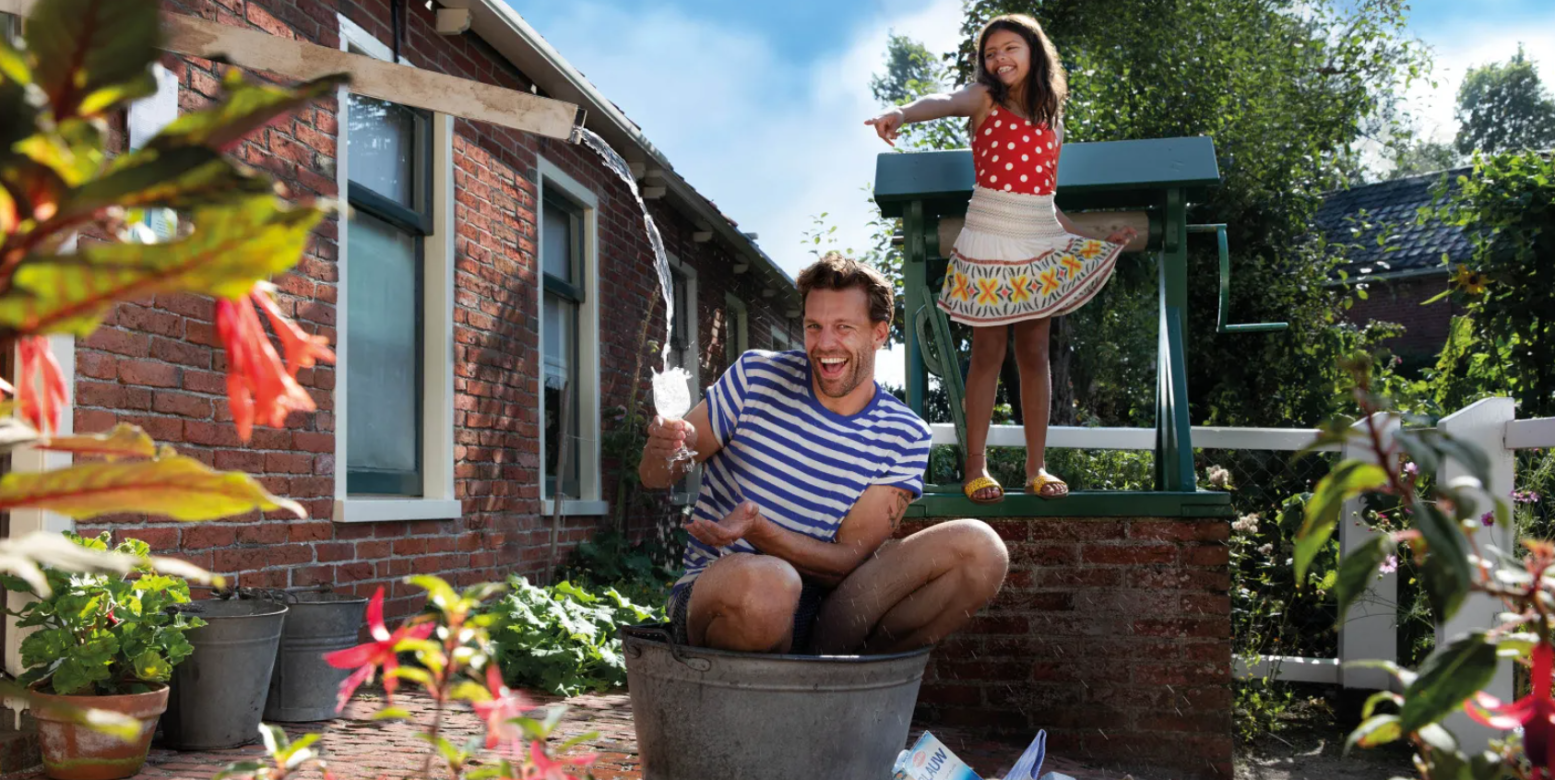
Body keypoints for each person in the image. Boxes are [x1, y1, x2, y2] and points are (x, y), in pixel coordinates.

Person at [639, 252, 1008, 655]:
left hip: (823, 611)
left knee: (981, 548)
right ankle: (779, 702)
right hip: (721, 593)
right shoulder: (756, 377)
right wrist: (662, 450)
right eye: (814, 327)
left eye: (843, 327)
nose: (825, 344)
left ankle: (843, 680)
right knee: (773, 584)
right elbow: (657, 476)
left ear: (879, 333)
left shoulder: (904, 435)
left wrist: (760, 531)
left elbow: (844, 562)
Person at [865, 14, 1137, 504]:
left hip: (1036, 237)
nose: (1000, 59)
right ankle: (976, 466)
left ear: (1034, 52)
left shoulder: (1051, 119)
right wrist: (901, 114)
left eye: (1010, 48)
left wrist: (1088, 241)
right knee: (988, 353)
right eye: (991, 53)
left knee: (1034, 352)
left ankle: (1037, 467)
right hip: (991, 236)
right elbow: (944, 102)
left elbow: (1044, 199)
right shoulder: (983, 98)